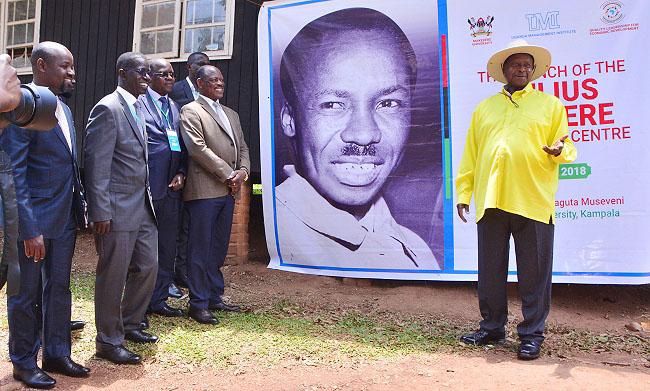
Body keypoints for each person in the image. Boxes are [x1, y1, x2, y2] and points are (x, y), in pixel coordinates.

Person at [275, 8, 439, 269]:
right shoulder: (278, 233)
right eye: (332, 104)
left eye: (388, 103)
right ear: (289, 119)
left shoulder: (419, 252)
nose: (364, 135)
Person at [456, 39, 577, 360]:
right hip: (491, 199)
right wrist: (464, 192)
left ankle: (532, 335)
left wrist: (560, 150)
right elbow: (471, 154)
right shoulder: (485, 108)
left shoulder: (551, 105)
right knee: (490, 270)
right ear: (504, 70)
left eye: (527, 64)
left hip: (533, 199)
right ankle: (492, 327)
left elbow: (566, 146)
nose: (521, 68)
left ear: (534, 71)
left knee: (534, 272)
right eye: (515, 64)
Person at [1, 42, 89, 389]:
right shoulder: (20, 107)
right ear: (40, 66)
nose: (71, 74)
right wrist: (28, 228)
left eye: (72, 67)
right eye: (64, 67)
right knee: (25, 294)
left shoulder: (62, 110)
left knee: (60, 289)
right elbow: (14, 174)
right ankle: (24, 362)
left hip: (64, 219)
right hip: (34, 223)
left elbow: (67, 165)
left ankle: (56, 353)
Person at [84, 52, 159, 365]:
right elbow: (96, 163)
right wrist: (99, 210)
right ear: (123, 73)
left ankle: (129, 323)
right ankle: (108, 340)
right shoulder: (108, 108)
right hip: (115, 208)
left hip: (141, 205)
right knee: (113, 275)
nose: (147, 76)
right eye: (141, 71)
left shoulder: (138, 107)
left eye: (148, 72)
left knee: (149, 264)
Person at [180, 64, 249, 325]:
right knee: (199, 247)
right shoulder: (191, 110)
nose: (219, 83)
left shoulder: (231, 113)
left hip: (228, 190)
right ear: (199, 83)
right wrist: (227, 174)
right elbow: (197, 149)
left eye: (221, 79)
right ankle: (197, 303)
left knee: (218, 246)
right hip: (204, 191)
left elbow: (242, 146)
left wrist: (242, 171)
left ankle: (213, 296)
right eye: (213, 80)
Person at [139, 58, 186, 318]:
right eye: (163, 74)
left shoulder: (176, 107)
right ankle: (140, 304)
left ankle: (158, 301)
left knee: (167, 248)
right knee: (145, 252)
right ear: (149, 77)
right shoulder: (139, 104)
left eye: (171, 74)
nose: (169, 78)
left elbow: (183, 146)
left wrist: (182, 172)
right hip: (146, 189)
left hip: (172, 189)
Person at [169, 51, 210, 294]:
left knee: (187, 224)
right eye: (200, 65)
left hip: (197, 167)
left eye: (208, 65)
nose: (204, 68)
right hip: (176, 164)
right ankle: (168, 272)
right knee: (174, 222)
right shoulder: (175, 91)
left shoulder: (207, 95)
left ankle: (181, 270)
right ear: (189, 67)